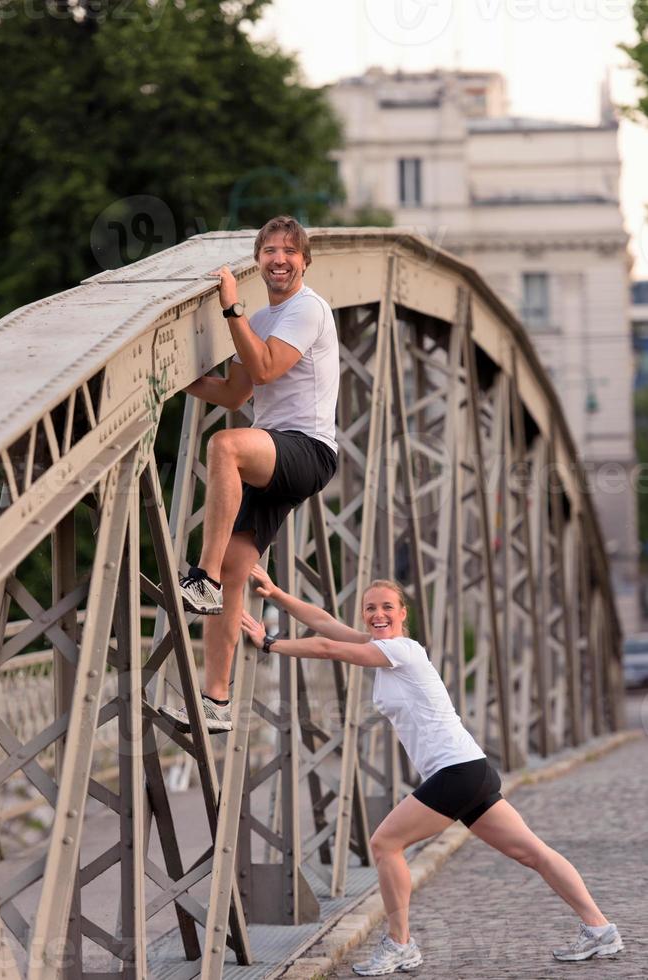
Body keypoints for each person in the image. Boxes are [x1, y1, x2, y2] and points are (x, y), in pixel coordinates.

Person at [240, 566, 624, 976]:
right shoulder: (382, 647)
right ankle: (600, 929)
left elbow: (329, 649)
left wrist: (269, 644)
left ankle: (400, 943)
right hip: (470, 769)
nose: (378, 614)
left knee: (385, 844)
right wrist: (278, 595)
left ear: (403, 612)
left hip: (456, 771)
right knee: (533, 853)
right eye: (370, 609)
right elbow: (328, 626)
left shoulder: (402, 650)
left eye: (387, 607)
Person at [159, 216, 339, 735]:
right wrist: (175, 380)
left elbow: (262, 371)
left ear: (304, 261)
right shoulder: (260, 320)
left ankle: (204, 577)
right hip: (275, 454)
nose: (279, 260)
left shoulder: (308, 309)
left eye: (289, 252)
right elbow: (235, 394)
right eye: (270, 252)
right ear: (258, 260)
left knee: (225, 445)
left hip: (307, 450)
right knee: (242, 567)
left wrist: (231, 304)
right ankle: (216, 700)